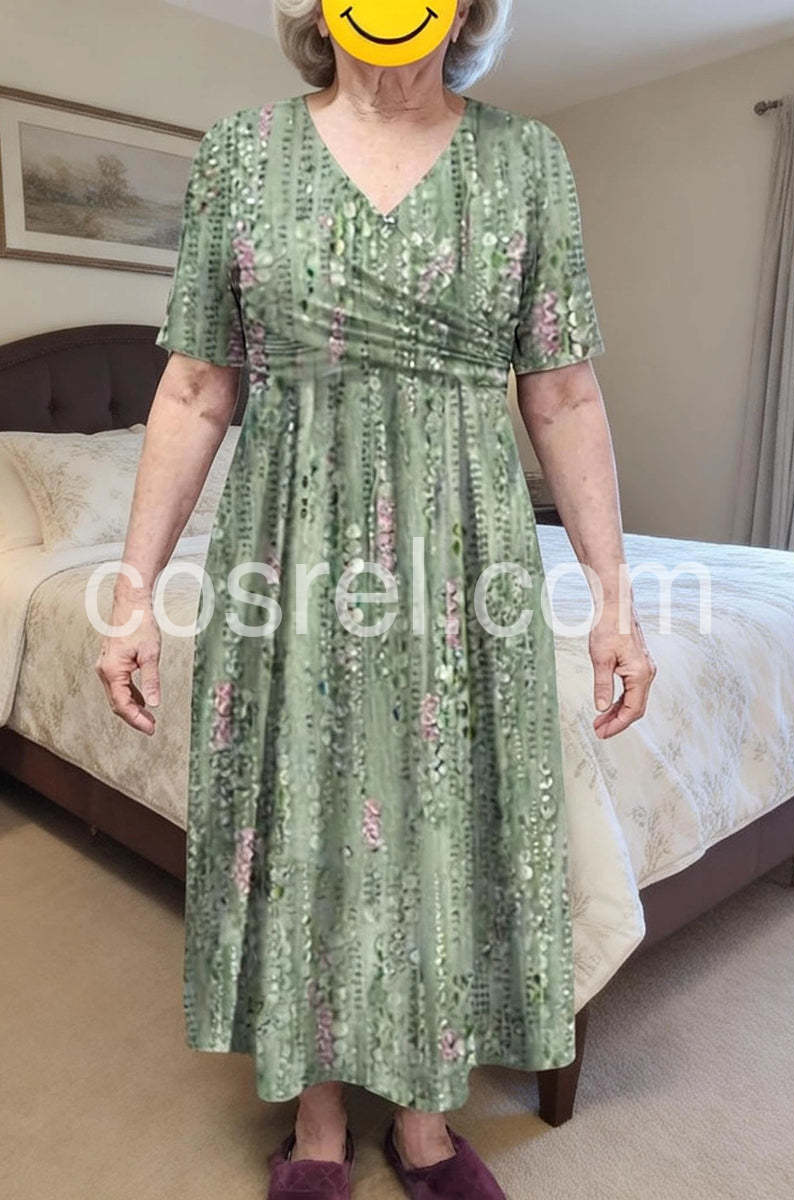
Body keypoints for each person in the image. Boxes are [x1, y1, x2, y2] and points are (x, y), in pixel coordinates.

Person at [95, 1, 657, 1197]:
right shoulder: (240, 154)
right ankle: (314, 1123)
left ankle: (423, 1121)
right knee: (302, 811)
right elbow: (194, 389)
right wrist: (131, 593)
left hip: (463, 556)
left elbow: (561, 393)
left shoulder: (527, 159)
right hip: (287, 550)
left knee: (448, 815)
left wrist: (614, 598)